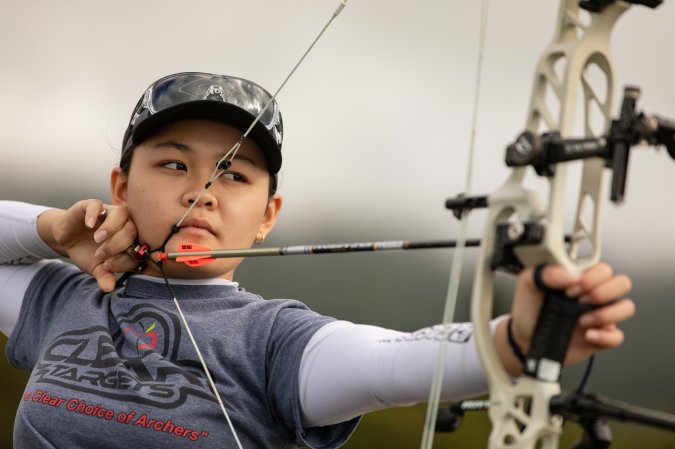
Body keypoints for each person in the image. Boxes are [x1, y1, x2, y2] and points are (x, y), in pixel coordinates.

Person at [0, 72, 635, 449]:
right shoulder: (63, 296)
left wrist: (518, 339)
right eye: (173, 164)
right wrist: (54, 229)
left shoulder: (274, 339)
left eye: (235, 175)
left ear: (268, 215)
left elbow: (397, 361)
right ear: (119, 188)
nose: (201, 191)